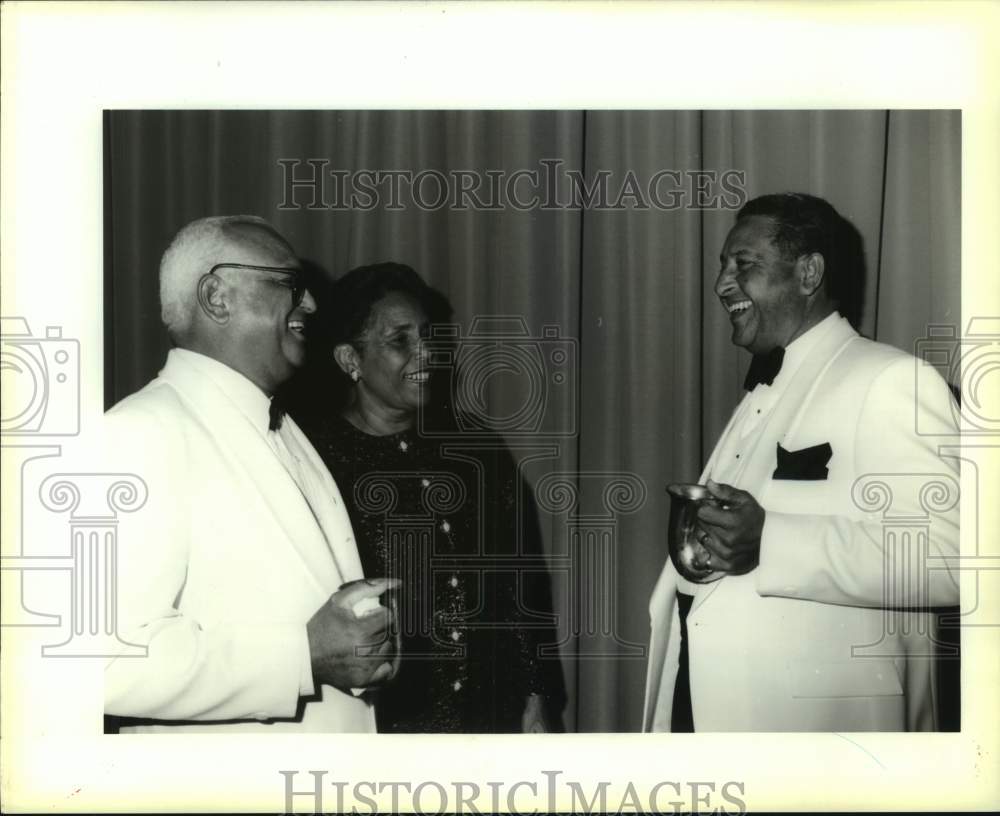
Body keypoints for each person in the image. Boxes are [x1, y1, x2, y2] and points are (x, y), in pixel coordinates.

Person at [643, 193, 960, 732]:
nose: (722, 283)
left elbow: (958, 559)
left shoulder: (890, 381)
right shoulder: (764, 392)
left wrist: (770, 541)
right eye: (722, 266)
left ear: (809, 272)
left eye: (743, 264)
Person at [103, 215, 397, 733]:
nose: (310, 304)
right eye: (289, 285)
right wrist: (302, 655)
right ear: (217, 296)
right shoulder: (138, 432)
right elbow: (102, 663)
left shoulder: (287, 429)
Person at [296, 261, 565, 733]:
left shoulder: (476, 450)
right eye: (400, 340)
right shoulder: (314, 460)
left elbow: (521, 589)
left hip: (490, 717)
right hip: (383, 727)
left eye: (427, 335)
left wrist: (538, 698)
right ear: (349, 360)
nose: (426, 354)